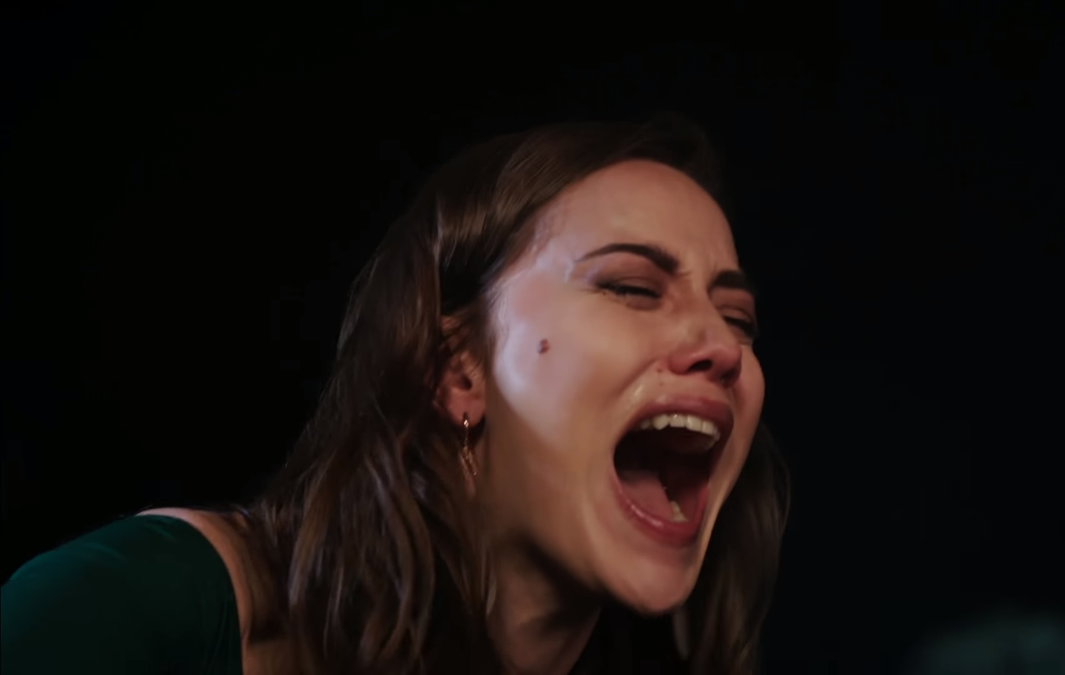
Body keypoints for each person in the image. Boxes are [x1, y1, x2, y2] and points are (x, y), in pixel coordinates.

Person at [1, 114, 790, 675]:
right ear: (458, 371)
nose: (724, 348)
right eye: (631, 287)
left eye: (739, 319)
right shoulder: (131, 611)